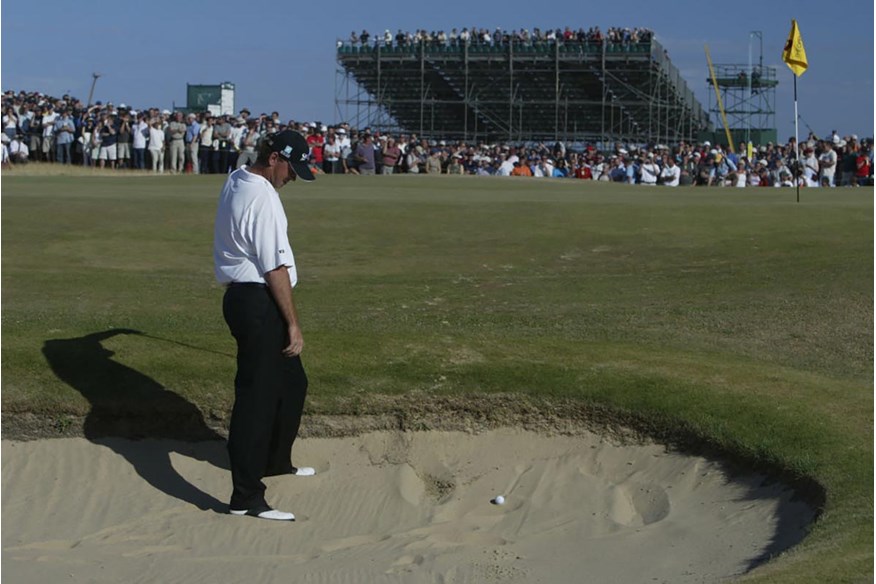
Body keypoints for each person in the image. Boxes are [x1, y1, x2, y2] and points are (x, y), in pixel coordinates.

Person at [213, 130, 316, 521]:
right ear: (274, 158)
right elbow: (274, 268)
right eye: (292, 168)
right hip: (257, 301)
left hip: (248, 300)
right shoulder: (262, 197)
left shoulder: (238, 177)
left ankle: (275, 461)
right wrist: (292, 324)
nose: (293, 177)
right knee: (255, 399)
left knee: (293, 383)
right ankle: (245, 497)